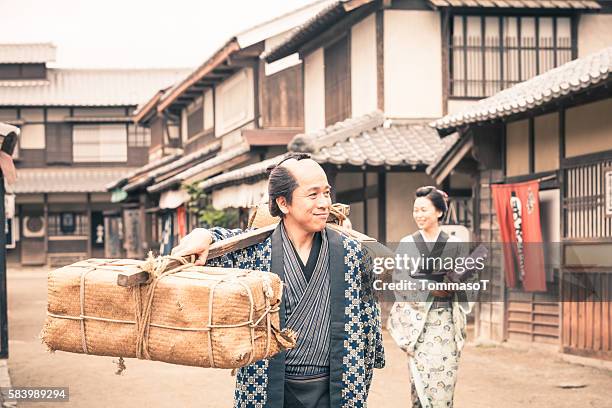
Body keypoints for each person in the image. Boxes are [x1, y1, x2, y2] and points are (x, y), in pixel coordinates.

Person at [171, 153, 385, 408]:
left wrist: (365, 370)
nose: (324, 203)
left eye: (327, 193)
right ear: (284, 203)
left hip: (336, 387)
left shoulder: (353, 253)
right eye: (313, 194)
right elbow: (221, 247)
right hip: (269, 387)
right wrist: (203, 234)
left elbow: (369, 326)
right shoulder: (256, 250)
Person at [388, 186, 473, 408]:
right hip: (419, 327)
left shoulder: (455, 245)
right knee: (420, 385)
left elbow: (469, 283)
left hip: (446, 323)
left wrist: (456, 286)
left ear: (438, 212)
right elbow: (399, 282)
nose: (419, 215)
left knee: (443, 387)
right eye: (416, 210)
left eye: (424, 210)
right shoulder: (408, 244)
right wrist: (428, 290)